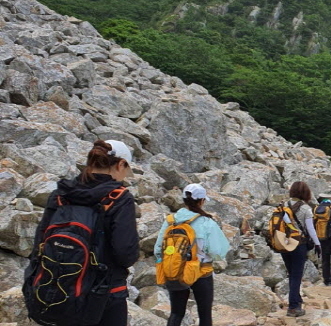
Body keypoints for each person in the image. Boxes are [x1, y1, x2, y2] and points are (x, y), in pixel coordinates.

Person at [27, 139, 139, 326]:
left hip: (54, 289)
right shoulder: (119, 198)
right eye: (126, 169)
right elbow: (125, 254)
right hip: (104, 294)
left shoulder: (61, 194)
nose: (125, 175)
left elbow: (40, 242)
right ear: (120, 164)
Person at [154, 183, 230, 326]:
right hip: (202, 271)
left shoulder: (170, 221)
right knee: (204, 314)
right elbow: (218, 252)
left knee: (176, 313)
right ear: (202, 201)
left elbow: (158, 249)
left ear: (184, 200)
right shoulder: (207, 222)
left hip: (176, 270)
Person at [280, 181, 321, 317]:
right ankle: (293, 307)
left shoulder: (284, 206)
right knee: (296, 275)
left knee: (291, 273)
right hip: (299, 244)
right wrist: (317, 244)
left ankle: (296, 300)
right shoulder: (305, 209)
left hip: (284, 243)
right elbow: (310, 229)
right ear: (305, 193)